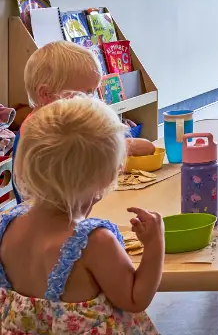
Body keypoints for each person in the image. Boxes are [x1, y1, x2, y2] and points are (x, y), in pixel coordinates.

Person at [0, 95, 163, 333]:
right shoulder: (94, 242)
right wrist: (155, 245)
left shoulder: (7, 228)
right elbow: (134, 299)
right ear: (109, 177)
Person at [23, 41, 155, 157]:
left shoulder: (66, 122)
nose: (91, 101)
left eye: (92, 93)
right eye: (84, 95)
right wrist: (117, 148)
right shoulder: (38, 135)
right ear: (46, 93)